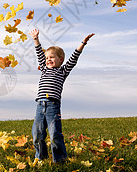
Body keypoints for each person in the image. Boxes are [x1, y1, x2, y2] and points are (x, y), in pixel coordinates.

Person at [28, 28, 94, 163]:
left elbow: (74, 57)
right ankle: (40, 158)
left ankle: (60, 160)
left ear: (60, 59)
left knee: (55, 134)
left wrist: (83, 43)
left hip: (52, 105)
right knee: (37, 134)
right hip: (40, 105)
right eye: (47, 58)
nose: (48, 60)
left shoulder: (63, 71)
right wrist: (35, 38)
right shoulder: (44, 68)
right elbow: (39, 53)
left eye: (51, 57)